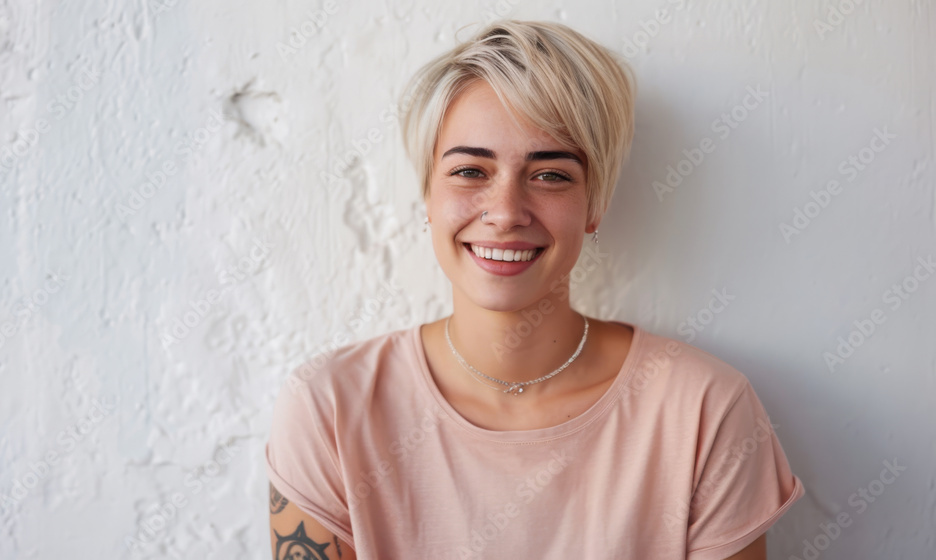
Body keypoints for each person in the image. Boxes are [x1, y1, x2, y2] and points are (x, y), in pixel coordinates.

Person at [265, 19, 804, 559]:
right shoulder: (328, 409)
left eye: (550, 175)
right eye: (471, 171)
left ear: (595, 204)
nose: (504, 213)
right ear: (427, 196)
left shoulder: (704, 411)